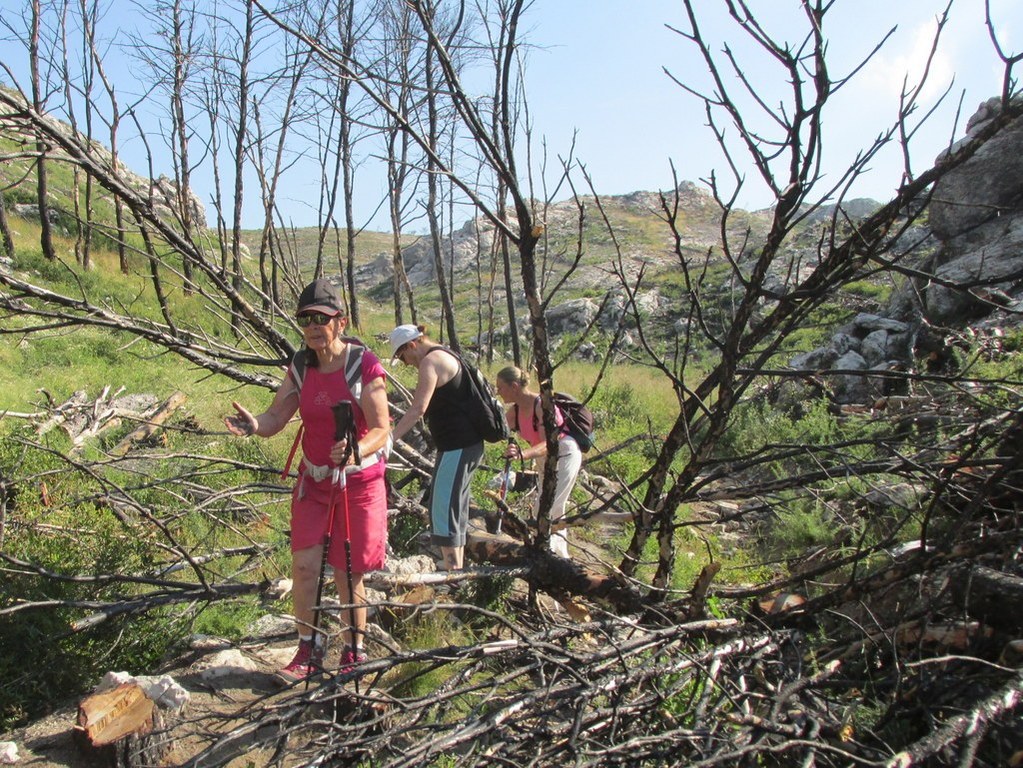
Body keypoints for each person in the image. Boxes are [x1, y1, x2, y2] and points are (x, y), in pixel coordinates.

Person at [224, 279, 390, 683]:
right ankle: (308, 648)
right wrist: (254, 426)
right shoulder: (300, 365)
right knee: (303, 567)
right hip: (314, 481)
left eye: (323, 318)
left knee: (347, 573)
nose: (314, 326)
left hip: (358, 481)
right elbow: (277, 417)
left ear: (340, 322)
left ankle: (353, 650)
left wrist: (356, 450)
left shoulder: (363, 364)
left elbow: (383, 429)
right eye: (306, 320)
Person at [388, 324, 484, 572]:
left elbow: (418, 409)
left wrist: (390, 440)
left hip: (457, 446)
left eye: (402, 356)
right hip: (465, 445)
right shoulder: (447, 354)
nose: (406, 363)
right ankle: (456, 564)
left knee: (442, 506)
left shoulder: (431, 362)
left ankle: (452, 569)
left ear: (412, 345)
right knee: (455, 505)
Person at [495, 366, 582, 558]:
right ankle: (560, 556)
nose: (498, 392)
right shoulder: (515, 411)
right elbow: (495, 430)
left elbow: (549, 443)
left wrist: (521, 454)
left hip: (564, 455)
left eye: (500, 387)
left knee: (546, 508)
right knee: (555, 508)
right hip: (544, 461)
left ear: (514, 386)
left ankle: (549, 554)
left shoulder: (542, 405)